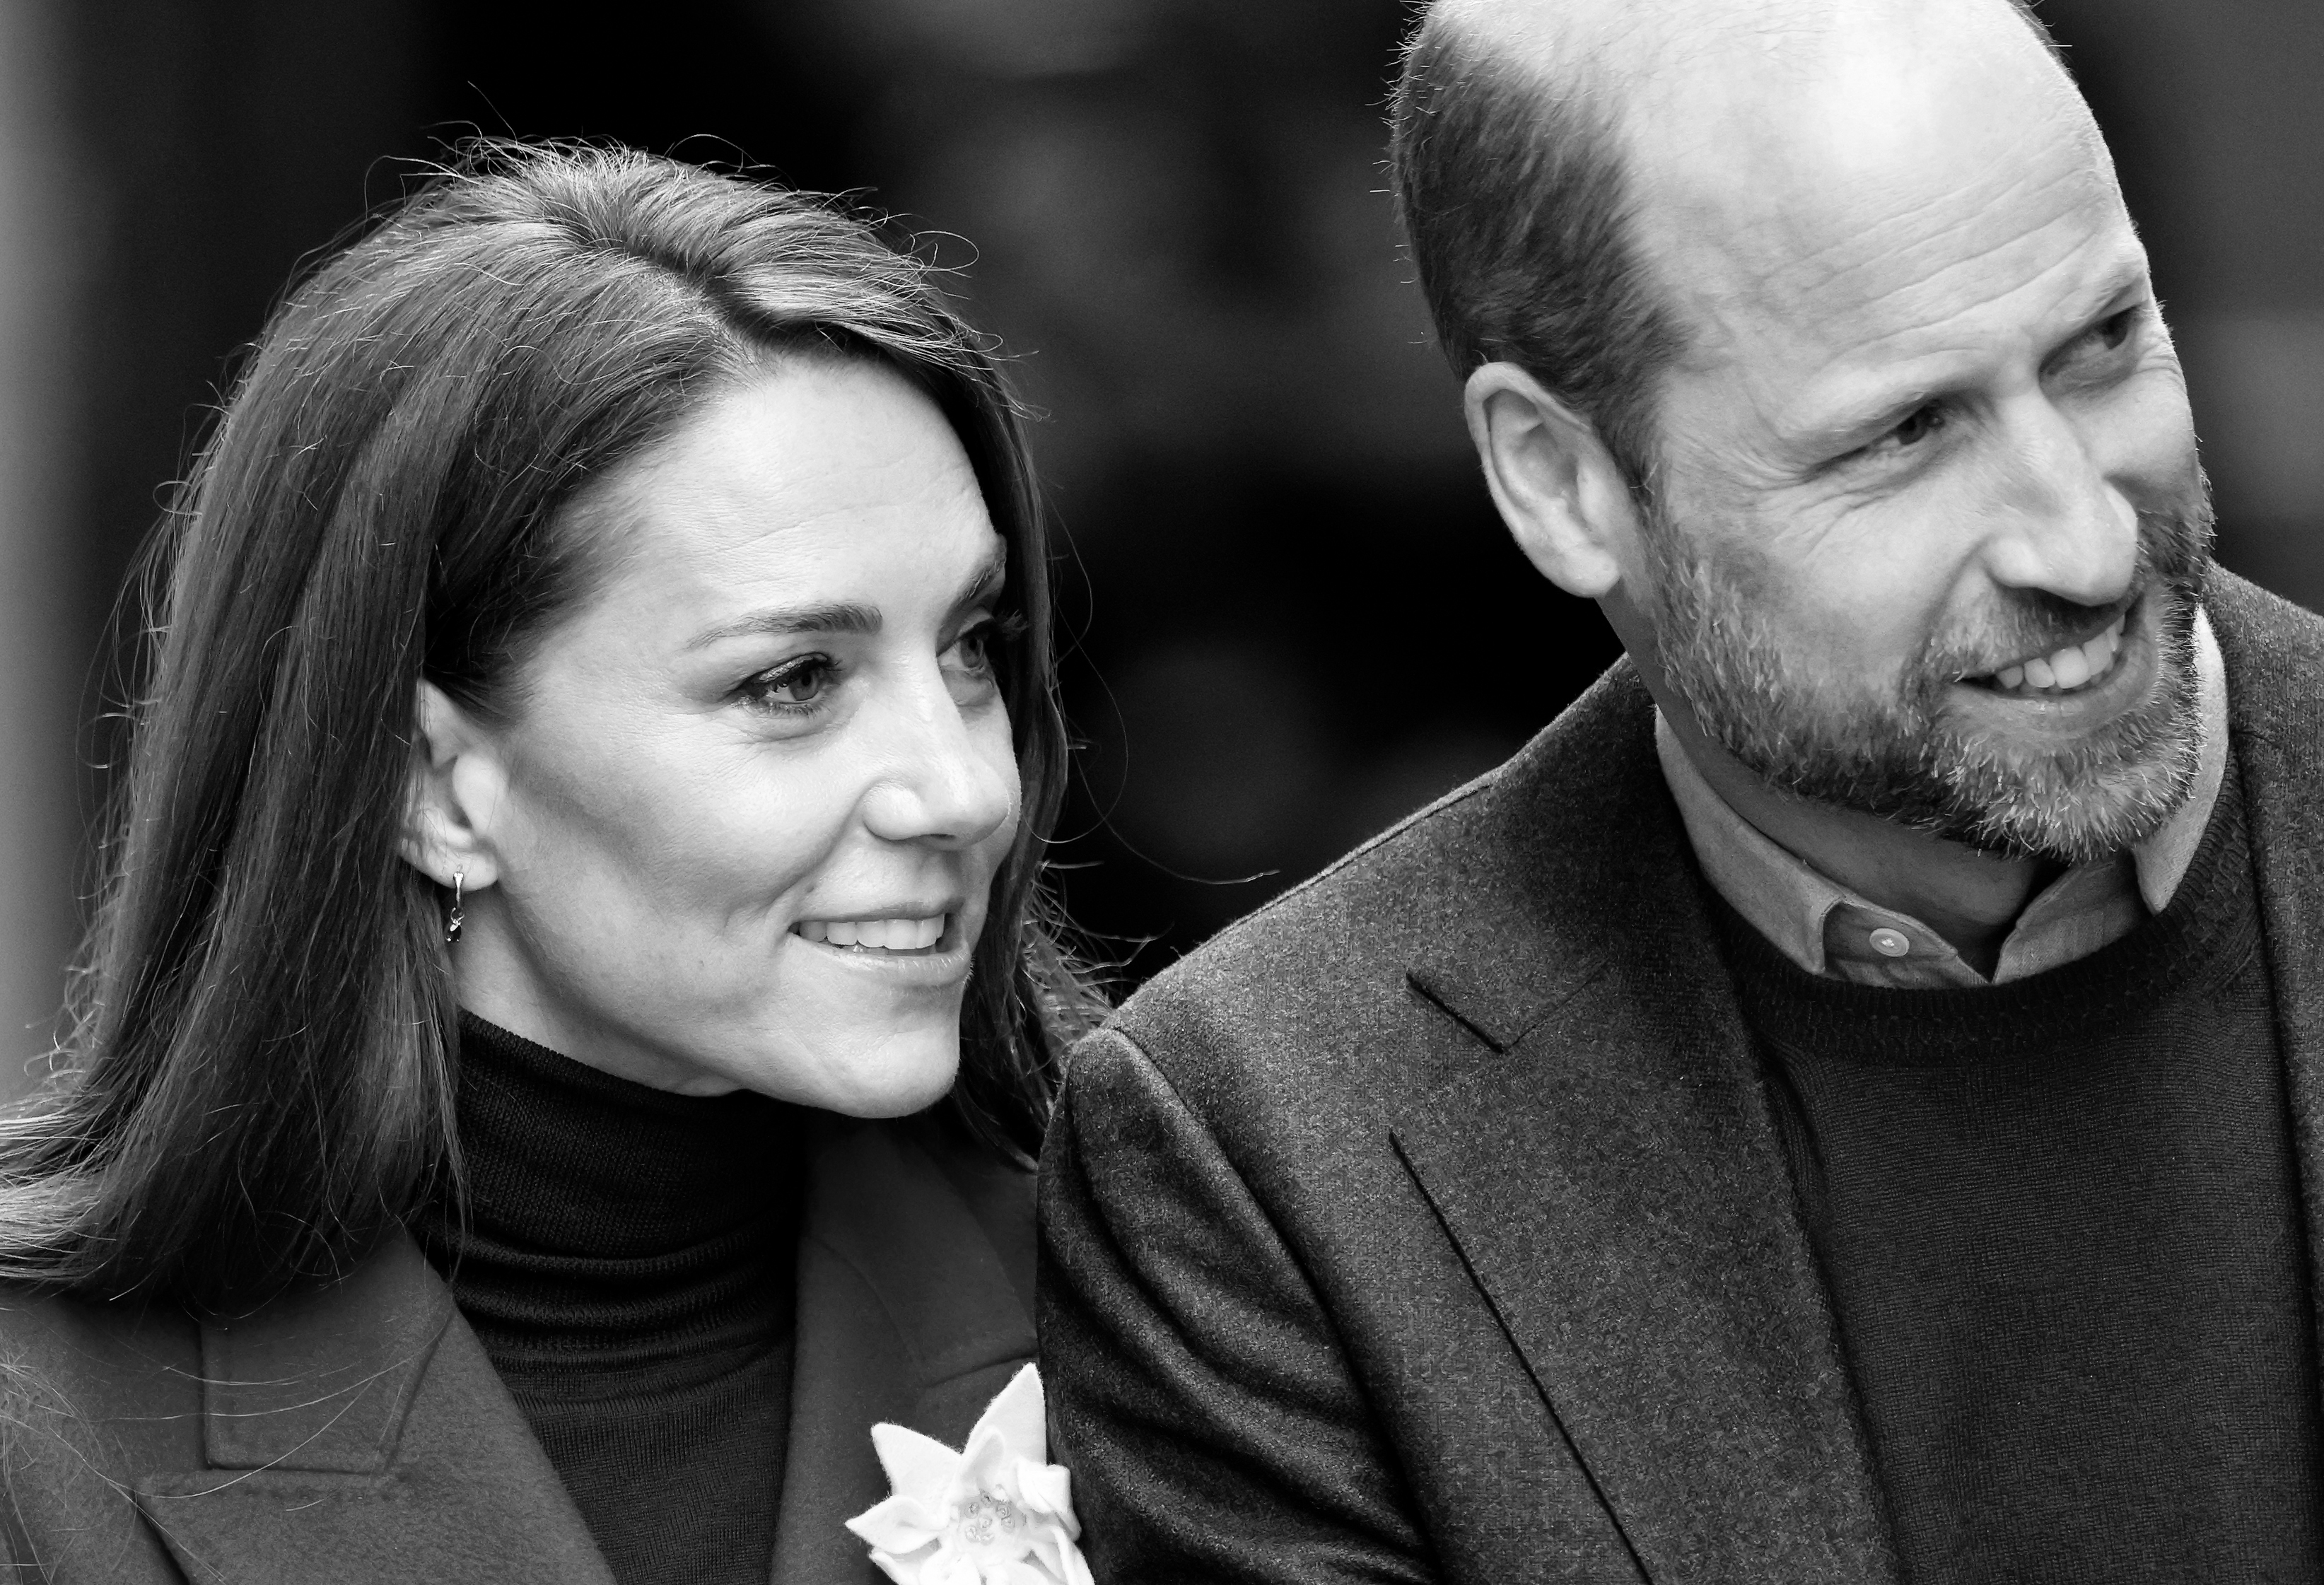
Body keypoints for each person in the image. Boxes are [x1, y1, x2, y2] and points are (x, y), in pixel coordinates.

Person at [1039, 0, 2324, 1579]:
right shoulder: (1272, 1154)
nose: (2085, 542)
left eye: (2103, 345)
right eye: (1908, 434)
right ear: (1563, 481)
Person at [0, 143, 1100, 1584]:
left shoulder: (1170, 1300)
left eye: (969, 648)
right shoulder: (40, 1422)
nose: (964, 786)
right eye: (793, 680)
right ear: (434, 785)